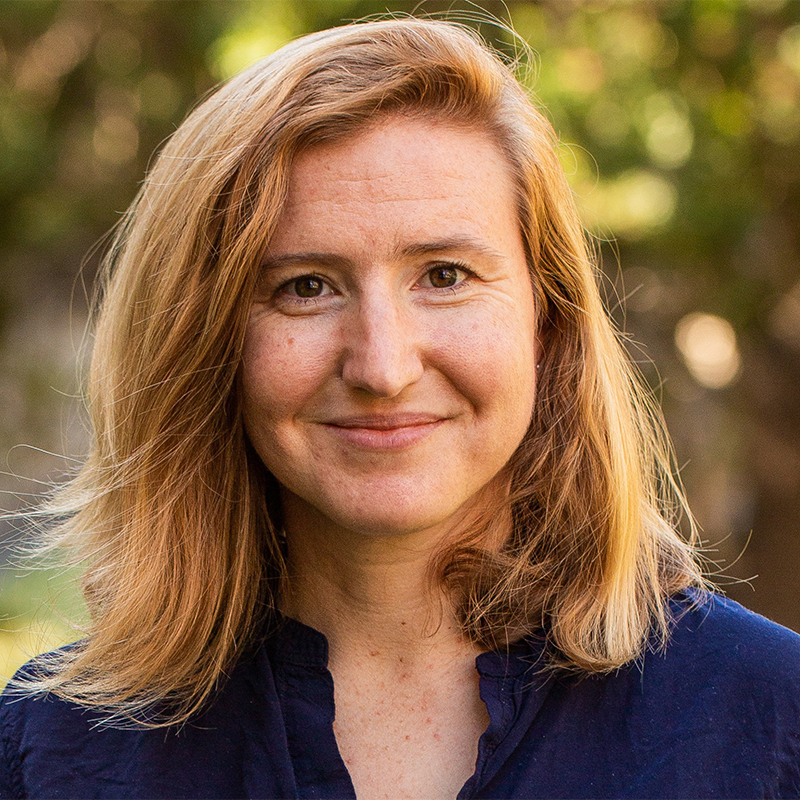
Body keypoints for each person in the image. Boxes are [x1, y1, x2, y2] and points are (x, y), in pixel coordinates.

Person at [1, 17, 799, 800]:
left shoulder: (766, 720)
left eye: (445, 275)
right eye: (304, 287)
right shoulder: (51, 751)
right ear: (206, 344)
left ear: (546, 319)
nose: (382, 367)